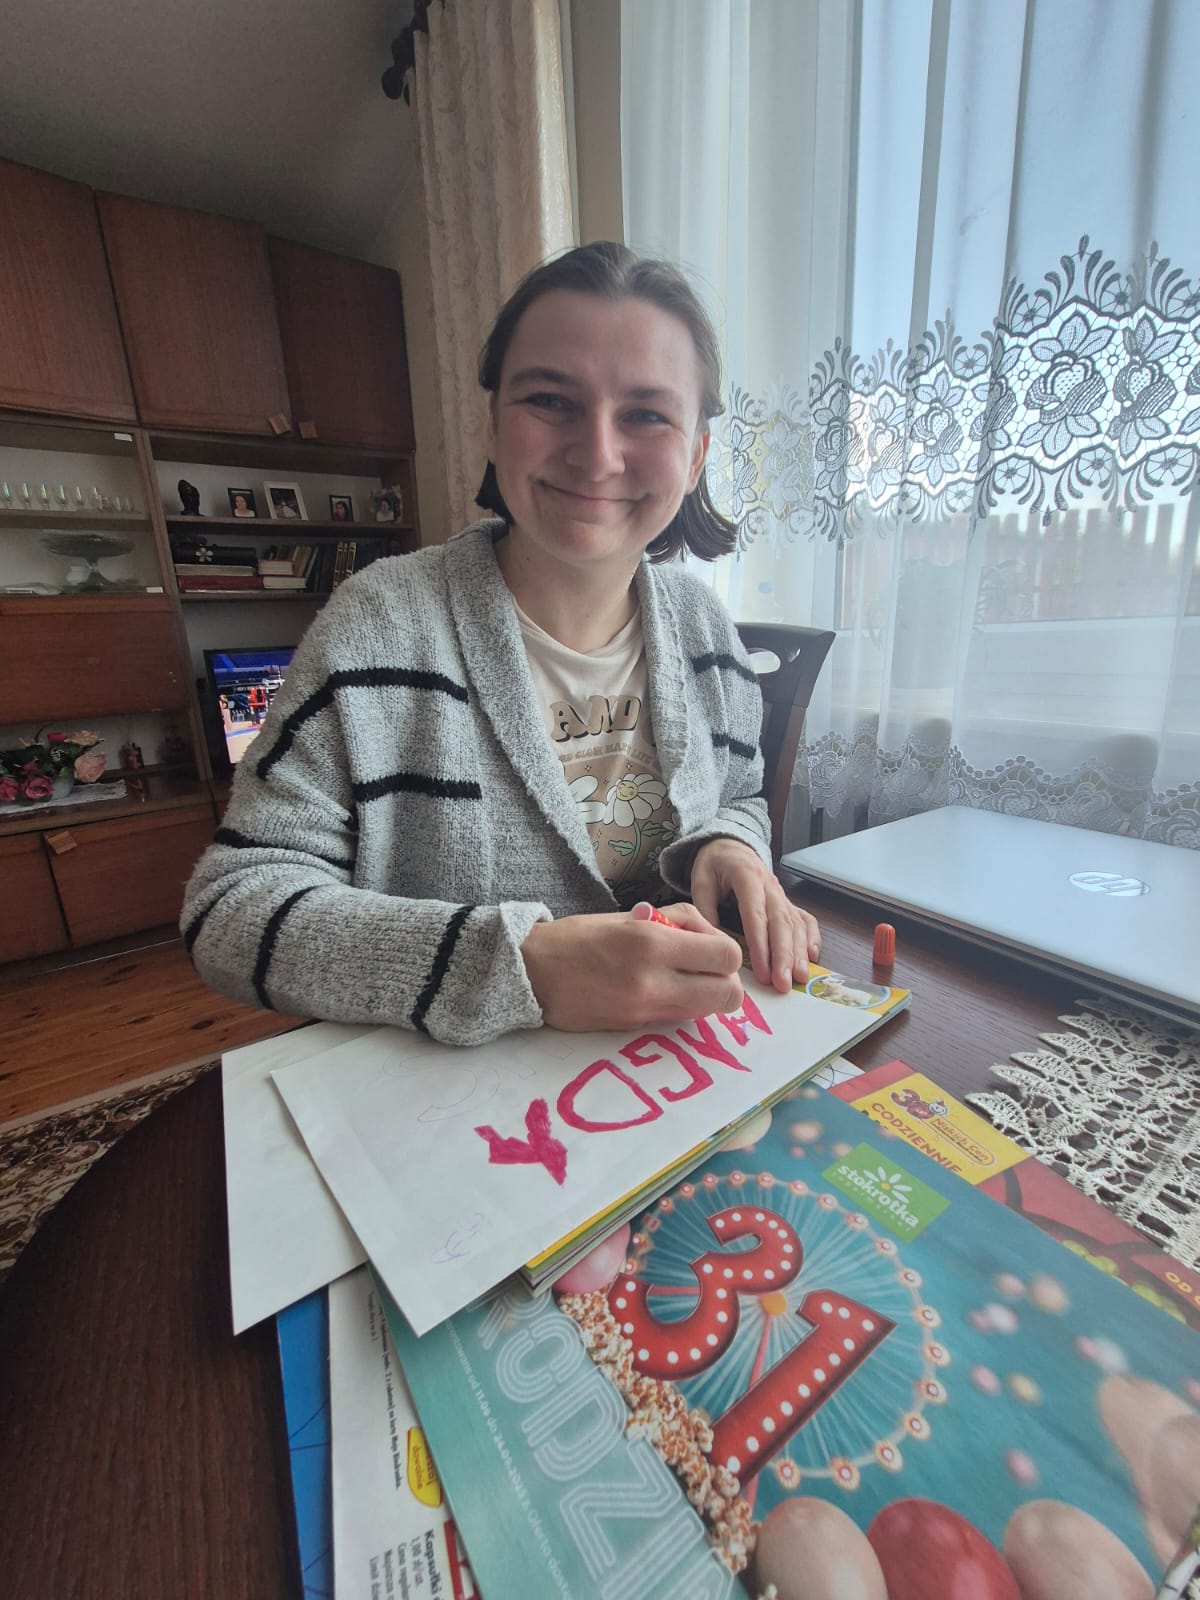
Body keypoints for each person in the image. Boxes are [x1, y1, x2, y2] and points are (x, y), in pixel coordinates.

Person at [182, 241, 820, 1046]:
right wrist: (517, 964)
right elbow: (230, 908)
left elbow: (740, 794)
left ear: (695, 455)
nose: (597, 454)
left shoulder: (706, 630)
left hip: (678, 1071)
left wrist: (728, 845)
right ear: (491, 426)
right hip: (455, 1105)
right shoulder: (376, 626)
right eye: (550, 400)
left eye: (647, 414)